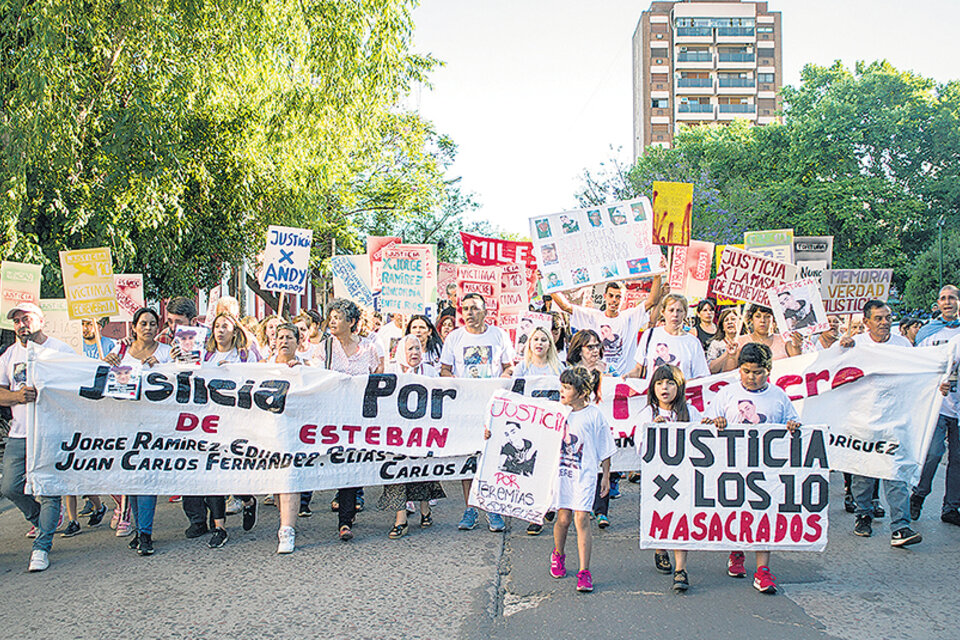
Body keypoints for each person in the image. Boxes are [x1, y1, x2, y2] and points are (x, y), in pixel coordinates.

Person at [702, 343, 802, 594]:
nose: (751, 377)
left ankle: (763, 570)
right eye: (746, 371)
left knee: (764, 515)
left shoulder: (779, 395)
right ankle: (737, 550)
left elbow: (797, 423)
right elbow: (705, 424)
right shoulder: (726, 394)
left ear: (768, 370)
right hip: (733, 467)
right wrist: (716, 423)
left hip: (766, 472)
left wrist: (792, 425)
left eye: (757, 372)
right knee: (737, 513)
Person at [837, 299, 922, 545]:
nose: (885, 322)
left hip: (895, 417)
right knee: (864, 471)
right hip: (862, 418)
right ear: (866, 322)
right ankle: (863, 515)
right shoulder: (855, 345)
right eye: (879, 318)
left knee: (895, 471)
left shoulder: (902, 344)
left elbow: (917, 373)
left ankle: (901, 526)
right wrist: (842, 350)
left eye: (888, 317)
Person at [0, 302, 76, 571]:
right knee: (9, 486)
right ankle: (41, 519)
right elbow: (0, 393)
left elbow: (78, 387)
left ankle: (41, 547)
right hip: (19, 434)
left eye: (27, 318)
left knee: (49, 491)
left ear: (41, 321)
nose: (22, 324)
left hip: (51, 433)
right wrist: (17, 396)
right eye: (17, 320)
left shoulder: (60, 351)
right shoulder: (9, 356)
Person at [440, 293, 514, 532]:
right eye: (466, 309)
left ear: (485, 311)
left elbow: (509, 367)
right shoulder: (454, 338)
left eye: (474, 308)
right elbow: (444, 370)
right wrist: (459, 386)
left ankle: (493, 508)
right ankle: (471, 507)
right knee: (469, 458)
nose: (469, 313)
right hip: (465, 409)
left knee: (492, 457)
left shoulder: (499, 335)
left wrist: (500, 382)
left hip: (493, 408)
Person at [103, 307, 173, 556]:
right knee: (131, 478)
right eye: (143, 323)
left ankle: (145, 533)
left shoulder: (165, 352)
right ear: (134, 327)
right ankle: (138, 530)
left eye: (153, 323)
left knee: (146, 477)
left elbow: (182, 379)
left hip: (154, 424)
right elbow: (102, 381)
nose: (148, 328)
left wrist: (163, 368)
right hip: (124, 422)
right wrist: (105, 364)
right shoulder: (119, 352)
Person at [314, 299, 383, 541]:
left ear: (352, 322)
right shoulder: (324, 348)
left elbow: (380, 381)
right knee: (340, 463)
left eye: (338, 317)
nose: (332, 321)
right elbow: (314, 377)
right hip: (333, 417)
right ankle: (346, 512)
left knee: (352, 464)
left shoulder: (370, 349)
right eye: (330, 317)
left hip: (361, 418)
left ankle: (345, 520)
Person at [550, 366, 616, 593]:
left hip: (585, 475)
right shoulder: (557, 412)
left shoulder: (594, 415)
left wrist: (606, 475)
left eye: (567, 387)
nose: (562, 391)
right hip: (561, 474)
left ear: (581, 392)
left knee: (582, 520)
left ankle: (584, 571)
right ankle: (558, 553)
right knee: (564, 518)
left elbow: (605, 448)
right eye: (562, 386)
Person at [197, 312, 258, 546]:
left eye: (225, 326)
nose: (220, 330)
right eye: (217, 326)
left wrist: (235, 371)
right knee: (214, 475)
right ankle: (219, 527)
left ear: (235, 330)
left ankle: (247, 499)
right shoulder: (205, 355)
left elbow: (256, 380)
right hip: (211, 422)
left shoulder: (245, 355)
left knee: (234, 472)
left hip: (238, 420)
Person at [639, 364, 702, 591]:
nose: (664, 388)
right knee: (661, 516)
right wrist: (652, 431)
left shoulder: (690, 411)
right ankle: (659, 546)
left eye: (670, 383)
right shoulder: (648, 413)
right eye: (659, 383)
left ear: (680, 387)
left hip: (683, 476)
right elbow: (640, 447)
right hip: (658, 480)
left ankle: (680, 569)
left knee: (681, 518)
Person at [379, 335, 445, 538]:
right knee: (397, 472)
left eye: (417, 348)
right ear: (401, 352)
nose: (414, 353)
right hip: (398, 434)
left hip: (423, 431)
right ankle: (401, 519)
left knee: (423, 470)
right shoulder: (392, 373)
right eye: (410, 349)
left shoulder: (431, 372)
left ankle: (425, 510)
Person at [911, 285, 960, 524]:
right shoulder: (927, 332)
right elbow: (917, 367)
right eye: (943, 298)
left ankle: (951, 507)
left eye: (952, 298)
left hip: (958, 406)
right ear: (938, 304)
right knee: (933, 453)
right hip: (937, 405)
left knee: (958, 459)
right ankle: (919, 495)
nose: (947, 302)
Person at [551, 278, 663, 376]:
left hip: (624, 378)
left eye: (618, 297)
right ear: (605, 296)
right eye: (611, 296)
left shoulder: (630, 316)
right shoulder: (593, 316)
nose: (614, 300)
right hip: (598, 377)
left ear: (624, 299)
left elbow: (652, 301)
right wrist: (547, 282)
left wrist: (658, 275)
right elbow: (565, 306)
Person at [627, 293, 709, 382]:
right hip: (653, 394)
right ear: (663, 312)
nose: (675, 314)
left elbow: (701, 376)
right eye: (671, 310)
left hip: (681, 394)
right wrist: (627, 376)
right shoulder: (650, 335)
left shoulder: (693, 342)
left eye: (679, 310)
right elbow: (639, 369)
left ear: (685, 314)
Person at [730, 304, 801, 367]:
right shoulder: (739, 342)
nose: (762, 320)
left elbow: (797, 363)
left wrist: (796, 346)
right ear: (751, 319)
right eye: (758, 316)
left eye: (767, 316)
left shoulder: (784, 339)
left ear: (773, 320)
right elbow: (730, 371)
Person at [706, 308, 742, 374]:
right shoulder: (716, 344)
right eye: (726, 320)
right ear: (722, 326)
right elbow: (711, 369)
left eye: (733, 319)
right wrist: (727, 353)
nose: (730, 322)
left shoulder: (745, 341)